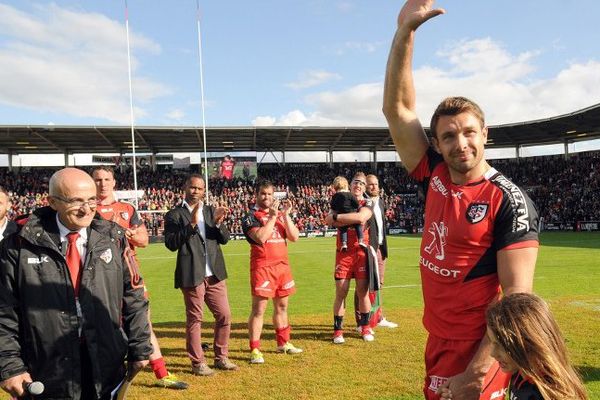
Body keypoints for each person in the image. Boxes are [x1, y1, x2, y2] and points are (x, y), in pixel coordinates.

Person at [382, 1, 540, 398]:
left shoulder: (508, 199)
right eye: (449, 136)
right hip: (439, 339)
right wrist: (405, 33)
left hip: (480, 348)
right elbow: (397, 109)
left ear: (485, 133)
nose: (461, 143)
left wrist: (478, 370)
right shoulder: (432, 173)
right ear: (436, 143)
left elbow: (518, 301)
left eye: (469, 132)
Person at [0, 168, 151, 399]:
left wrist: (139, 347)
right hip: (45, 367)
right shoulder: (18, 245)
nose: (87, 208)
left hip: (104, 363)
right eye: (76, 201)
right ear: (52, 202)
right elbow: (4, 311)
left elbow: (134, 297)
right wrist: (10, 366)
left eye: (92, 200)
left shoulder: (113, 238)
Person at [92, 166, 188, 390]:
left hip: (130, 275)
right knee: (104, 326)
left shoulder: (127, 209)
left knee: (144, 322)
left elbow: (144, 240)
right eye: (98, 180)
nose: (102, 183)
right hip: (100, 278)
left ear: (114, 182)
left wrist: (133, 234)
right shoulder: (86, 210)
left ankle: (162, 373)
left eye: (107, 179)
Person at [440, 293, 588, 400]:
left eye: (501, 346)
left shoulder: (548, 392)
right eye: (492, 343)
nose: (492, 353)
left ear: (528, 342)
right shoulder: (521, 373)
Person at [163, 174, 238, 376]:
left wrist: (220, 223)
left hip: (214, 273)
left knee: (224, 315)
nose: (195, 191)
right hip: (192, 273)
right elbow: (171, 244)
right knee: (195, 319)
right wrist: (192, 225)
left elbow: (224, 240)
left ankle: (221, 357)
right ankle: (198, 363)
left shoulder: (211, 211)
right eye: (192, 187)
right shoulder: (174, 215)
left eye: (199, 188)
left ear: (204, 191)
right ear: (185, 188)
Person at [242, 181, 303, 364]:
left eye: (270, 194)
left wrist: (286, 216)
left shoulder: (279, 215)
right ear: (256, 195)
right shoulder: (251, 216)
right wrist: (273, 218)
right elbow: (260, 237)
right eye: (263, 193)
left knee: (282, 307)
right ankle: (255, 349)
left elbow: (294, 237)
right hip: (263, 267)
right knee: (259, 309)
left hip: (282, 267)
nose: (266, 197)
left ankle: (283, 343)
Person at [325, 172, 375, 344]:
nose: (358, 185)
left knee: (362, 292)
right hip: (344, 253)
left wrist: (338, 218)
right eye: (355, 182)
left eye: (362, 183)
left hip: (361, 252)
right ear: (350, 185)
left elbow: (361, 217)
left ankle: (365, 327)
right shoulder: (340, 199)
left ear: (365, 187)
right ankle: (338, 331)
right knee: (341, 292)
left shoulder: (367, 202)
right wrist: (337, 219)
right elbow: (327, 220)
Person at [364, 174, 398, 329]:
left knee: (379, 284)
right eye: (370, 184)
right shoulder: (363, 202)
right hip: (369, 248)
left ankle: (378, 317)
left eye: (376, 184)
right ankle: (362, 321)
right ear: (365, 186)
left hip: (380, 248)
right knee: (364, 286)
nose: (374, 187)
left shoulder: (381, 202)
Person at [330, 176, 365, 251]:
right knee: (358, 226)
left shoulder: (334, 196)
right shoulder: (350, 194)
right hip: (352, 215)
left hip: (342, 217)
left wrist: (336, 216)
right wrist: (358, 208)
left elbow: (333, 207)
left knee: (343, 230)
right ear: (347, 185)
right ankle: (361, 240)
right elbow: (356, 204)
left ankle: (344, 244)